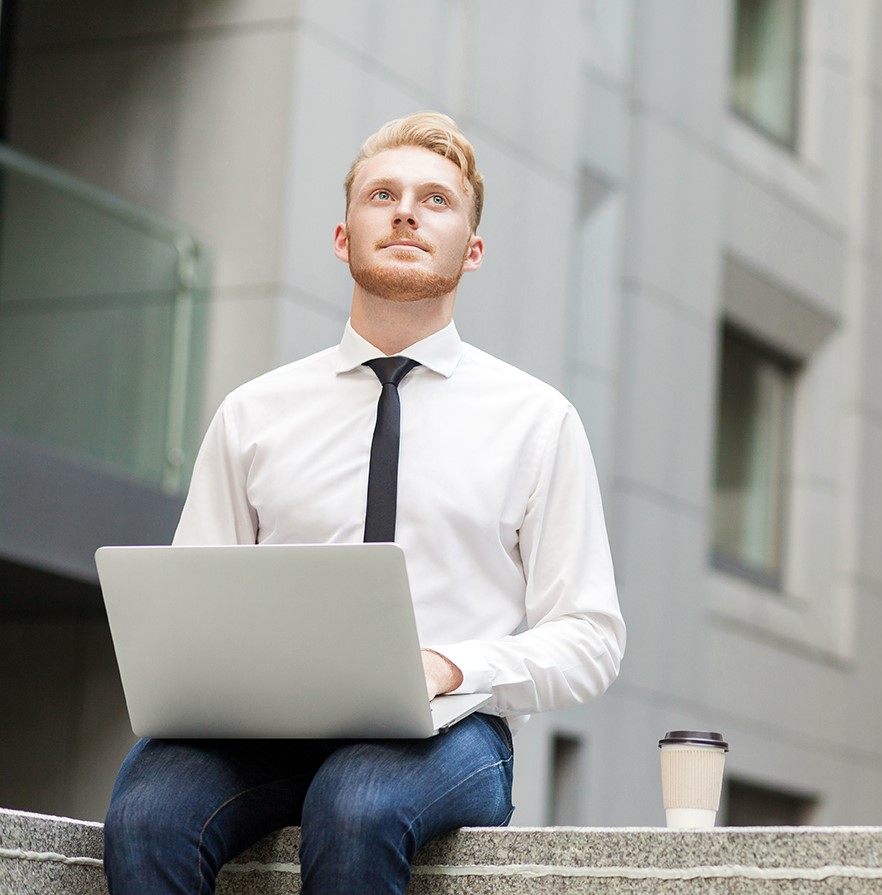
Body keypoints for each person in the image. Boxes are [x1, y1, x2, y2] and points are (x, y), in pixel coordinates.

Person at [102, 111, 626, 894]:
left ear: (472, 250)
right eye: (383, 194)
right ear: (343, 238)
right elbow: (192, 605)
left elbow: (590, 637)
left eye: (436, 200)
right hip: (263, 726)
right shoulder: (256, 412)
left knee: (358, 800)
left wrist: (453, 665)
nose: (408, 211)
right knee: (146, 812)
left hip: (453, 729)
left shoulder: (536, 420)